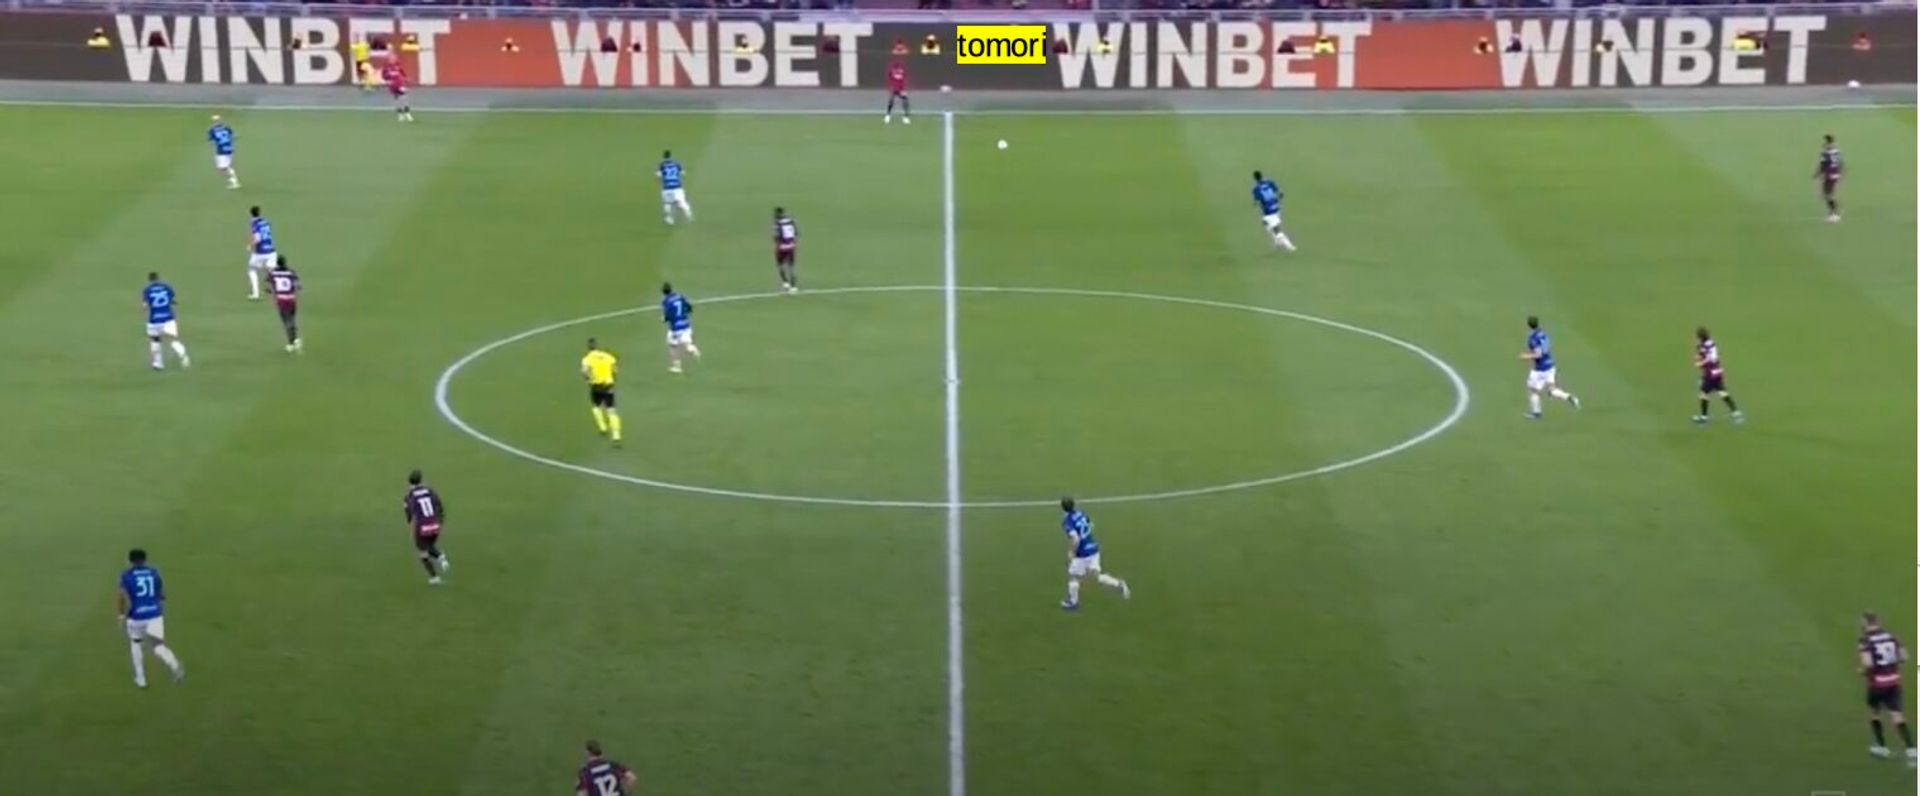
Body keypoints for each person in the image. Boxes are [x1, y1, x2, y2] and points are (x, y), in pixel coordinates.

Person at [118, 549, 185, 688]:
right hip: (155, 614)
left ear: (130, 561)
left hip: (136, 616)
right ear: (145, 560)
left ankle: (141, 679)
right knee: (158, 645)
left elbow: (122, 597)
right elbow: (162, 595)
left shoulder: (126, 575)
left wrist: (121, 615)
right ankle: (173, 664)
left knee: (136, 643)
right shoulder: (154, 572)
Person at [1858, 612, 1915, 766]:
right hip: (1894, 681)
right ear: (1878, 621)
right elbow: (1904, 656)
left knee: (1874, 713)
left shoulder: (1865, 640)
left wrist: (1863, 672)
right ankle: (1912, 749)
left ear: (1865, 623)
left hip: (1877, 684)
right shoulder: (1892, 636)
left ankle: (1881, 746)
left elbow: (1868, 663)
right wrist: (1890, 664)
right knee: (1897, 715)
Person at [1058, 498, 1129, 611]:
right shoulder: (1081, 514)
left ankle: (1073, 602)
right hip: (1093, 549)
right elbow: (1091, 525)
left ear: (1063, 508)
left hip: (1082, 554)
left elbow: (1075, 539)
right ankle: (1119, 584)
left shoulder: (1067, 521)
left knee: (1073, 576)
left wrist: (1071, 552)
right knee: (1096, 576)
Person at [1520, 315, 1579, 419]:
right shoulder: (1543, 334)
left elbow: (1538, 354)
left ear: (1528, 325)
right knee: (1552, 390)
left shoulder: (1533, 339)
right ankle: (1570, 397)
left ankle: (1536, 413)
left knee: (1533, 390)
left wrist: (1526, 356)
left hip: (1540, 369)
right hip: (1550, 366)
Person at [403, 470, 450, 585]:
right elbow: (439, 505)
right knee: (429, 547)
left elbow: (409, 514)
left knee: (423, 552)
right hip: (435, 525)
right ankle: (440, 558)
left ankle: (435, 576)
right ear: (421, 480)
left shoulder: (409, 496)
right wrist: (440, 521)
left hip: (423, 527)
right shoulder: (430, 490)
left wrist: (411, 527)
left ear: (409, 482)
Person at [1691, 327, 1740, 425]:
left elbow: (1709, 359)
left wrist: (1700, 363)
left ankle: (1704, 417)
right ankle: (1735, 412)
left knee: (1703, 394)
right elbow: (1711, 356)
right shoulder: (1711, 343)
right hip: (1717, 371)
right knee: (1722, 392)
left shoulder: (1703, 347)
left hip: (1710, 374)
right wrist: (1699, 357)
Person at [142, 272, 191, 371]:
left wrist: (145, 308)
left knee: (155, 340)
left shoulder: (147, 290)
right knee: (173, 340)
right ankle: (183, 356)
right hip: (168, 318)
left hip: (154, 320)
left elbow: (145, 306)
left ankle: (158, 364)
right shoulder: (166, 287)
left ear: (149, 280)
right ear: (158, 279)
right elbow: (171, 300)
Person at [581, 338, 623, 445]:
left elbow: (585, 372)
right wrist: (613, 379)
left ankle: (602, 427)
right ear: (597, 346)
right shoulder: (608, 356)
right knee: (611, 410)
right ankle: (616, 435)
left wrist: (588, 380)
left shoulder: (587, 359)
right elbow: (615, 370)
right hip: (608, 386)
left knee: (596, 406)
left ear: (588, 348)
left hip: (596, 386)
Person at [1249, 170, 1295, 251]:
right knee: (1266, 224)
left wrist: (1256, 204)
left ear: (1255, 178)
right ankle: (1278, 243)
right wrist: (1278, 197)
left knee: (1276, 229)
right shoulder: (1270, 182)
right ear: (1262, 175)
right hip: (1276, 207)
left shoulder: (1256, 188)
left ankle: (1290, 246)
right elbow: (1280, 193)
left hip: (1268, 211)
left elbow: (1256, 202)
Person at [661, 283, 700, 373]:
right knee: (686, 344)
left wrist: (664, 319)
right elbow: (689, 308)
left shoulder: (666, 301)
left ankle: (677, 366)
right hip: (686, 325)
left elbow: (667, 316)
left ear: (663, 292)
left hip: (675, 328)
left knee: (673, 345)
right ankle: (692, 349)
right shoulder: (680, 297)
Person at [267, 255, 302, 353]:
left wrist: (271, 291)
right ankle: (295, 339)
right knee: (292, 319)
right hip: (291, 299)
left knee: (286, 321)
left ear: (277, 263)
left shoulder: (272, 273)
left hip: (281, 300)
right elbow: (298, 285)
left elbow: (268, 286)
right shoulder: (291, 271)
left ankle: (291, 343)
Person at [246, 205, 277, 300]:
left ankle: (256, 294)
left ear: (251, 214)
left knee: (252, 270)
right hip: (271, 251)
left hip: (261, 252)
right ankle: (276, 289)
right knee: (271, 270)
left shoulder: (254, 224)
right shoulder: (265, 221)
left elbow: (258, 239)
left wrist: (250, 245)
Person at [658, 150, 692, 225]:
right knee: (682, 202)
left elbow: (659, 176)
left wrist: (662, 180)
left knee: (668, 203)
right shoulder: (677, 164)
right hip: (677, 186)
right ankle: (689, 215)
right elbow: (683, 174)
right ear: (670, 156)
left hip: (667, 188)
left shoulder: (662, 165)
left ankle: (670, 219)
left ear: (663, 157)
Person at [1815, 134, 1844, 222]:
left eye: (1825, 142)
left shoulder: (1825, 153)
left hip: (1829, 175)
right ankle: (1833, 213)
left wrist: (1817, 174)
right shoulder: (1836, 152)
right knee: (1827, 195)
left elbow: (1822, 165)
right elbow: (1840, 163)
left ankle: (1835, 214)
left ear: (1828, 143)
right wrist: (1840, 174)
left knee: (1827, 195)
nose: (1824, 144)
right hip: (1834, 175)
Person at [207, 114, 239, 189]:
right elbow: (234, 137)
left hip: (221, 151)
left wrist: (215, 142)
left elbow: (210, 141)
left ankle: (234, 181)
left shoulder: (212, 130)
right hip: (229, 149)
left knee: (223, 168)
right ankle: (233, 177)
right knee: (225, 167)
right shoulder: (227, 128)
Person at [773, 207, 800, 293]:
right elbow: (796, 233)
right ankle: (793, 286)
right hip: (791, 246)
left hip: (782, 247)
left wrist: (776, 245)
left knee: (780, 265)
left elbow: (777, 236)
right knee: (791, 266)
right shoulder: (791, 221)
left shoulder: (777, 224)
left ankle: (785, 282)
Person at [883, 60, 910, 125]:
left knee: (905, 100)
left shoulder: (903, 71)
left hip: (901, 89)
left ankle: (905, 117)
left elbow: (904, 79)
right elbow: (889, 78)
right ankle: (888, 115)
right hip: (893, 88)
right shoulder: (891, 71)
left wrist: (904, 89)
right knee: (891, 100)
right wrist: (891, 86)